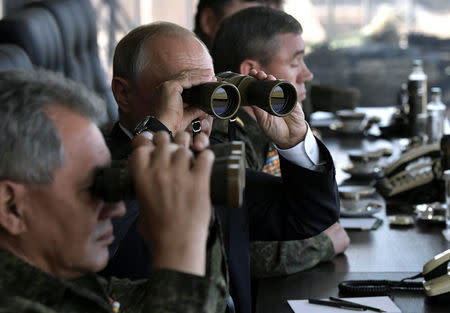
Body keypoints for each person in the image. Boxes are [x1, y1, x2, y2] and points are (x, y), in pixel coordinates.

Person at [106, 21, 339, 313]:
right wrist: (157, 131)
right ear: (124, 93)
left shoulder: (211, 158)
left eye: (211, 90)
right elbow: (105, 240)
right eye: (186, 91)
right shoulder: (96, 167)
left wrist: (294, 142)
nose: (206, 107)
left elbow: (309, 215)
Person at [0, 69, 228, 313]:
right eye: (95, 189)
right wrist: (180, 249)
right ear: (12, 207)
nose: (117, 208)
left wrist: (192, 209)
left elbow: (182, 300)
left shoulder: (66, 285)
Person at [211, 6, 350, 277]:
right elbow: (238, 250)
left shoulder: (269, 127)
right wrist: (323, 244)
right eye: (295, 63)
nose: (307, 74)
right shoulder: (227, 138)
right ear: (252, 72)